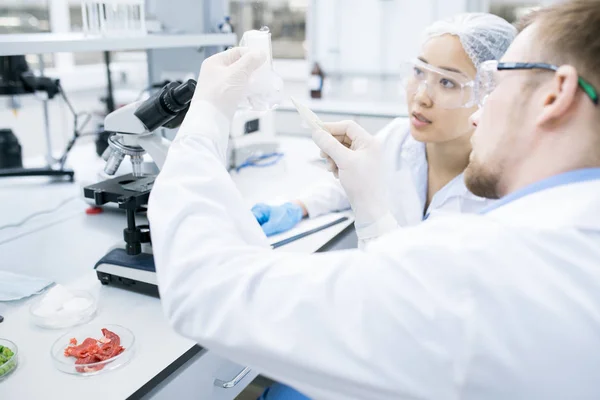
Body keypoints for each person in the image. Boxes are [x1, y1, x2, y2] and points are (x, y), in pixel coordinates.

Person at [148, 1, 600, 399]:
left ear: (556, 94)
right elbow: (413, 302)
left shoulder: (489, 270)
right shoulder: (572, 243)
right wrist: (364, 207)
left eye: (492, 83)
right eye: (420, 71)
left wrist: (205, 116)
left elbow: (209, 293)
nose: (480, 110)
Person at [250, 13, 516, 242]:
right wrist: (297, 207)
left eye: (447, 82)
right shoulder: (399, 137)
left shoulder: (499, 188)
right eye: (419, 72)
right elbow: (351, 187)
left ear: (487, 92)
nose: (421, 96)